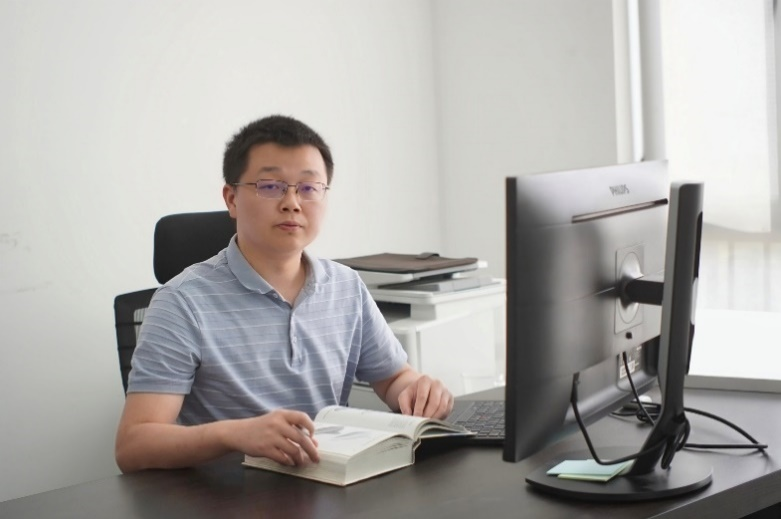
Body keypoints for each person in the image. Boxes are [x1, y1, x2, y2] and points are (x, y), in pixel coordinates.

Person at [115, 115, 454, 473]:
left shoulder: (346, 288)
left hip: (329, 480)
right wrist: (233, 434)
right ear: (231, 199)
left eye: (308, 188)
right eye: (271, 186)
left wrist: (419, 392)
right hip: (228, 493)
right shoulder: (181, 302)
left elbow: (394, 379)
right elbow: (134, 444)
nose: (292, 202)